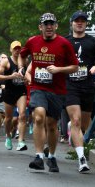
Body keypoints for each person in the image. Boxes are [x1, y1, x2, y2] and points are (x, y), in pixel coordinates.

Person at [18, 13, 78, 173]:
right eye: (46, 24)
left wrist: (59, 69)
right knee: (38, 117)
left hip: (57, 90)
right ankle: (38, 156)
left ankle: (51, 156)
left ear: (56, 26)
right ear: (40, 27)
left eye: (52, 24)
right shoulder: (33, 41)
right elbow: (21, 56)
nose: (49, 26)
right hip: (38, 87)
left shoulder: (64, 43)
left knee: (51, 125)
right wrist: (21, 68)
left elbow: (75, 66)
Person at [65, 11, 95, 172]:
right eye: (77, 21)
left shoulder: (94, 41)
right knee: (75, 121)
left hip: (88, 86)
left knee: (82, 124)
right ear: (72, 23)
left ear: (86, 24)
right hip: (70, 86)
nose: (80, 23)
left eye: (83, 21)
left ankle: (74, 132)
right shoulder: (65, 41)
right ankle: (82, 160)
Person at [0, 41, 28, 151]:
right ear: (11, 50)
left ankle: (21, 142)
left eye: (19, 48)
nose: (17, 51)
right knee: (8, 118)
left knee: (22, 115)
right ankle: (8, 137)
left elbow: (28, 75)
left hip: (21, 92)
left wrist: (26, 79)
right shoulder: (6, 62)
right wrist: (10, 76)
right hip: (9, 92)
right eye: (15, 49)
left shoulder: (25, 61)